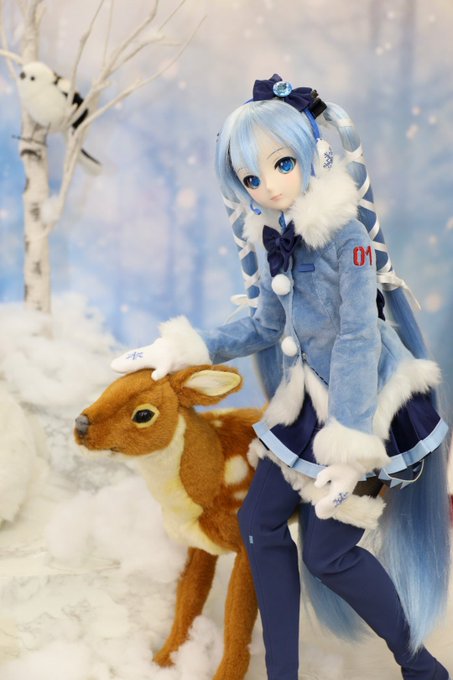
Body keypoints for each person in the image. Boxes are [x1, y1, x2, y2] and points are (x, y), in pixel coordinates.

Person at [112, 74, 451, 680]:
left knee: (327, 554)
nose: (268, 186)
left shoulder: (346, 237)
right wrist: (185, 347)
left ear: (309, 155)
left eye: (282, 164)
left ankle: (420, 665)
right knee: (257, 523)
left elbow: (358, 338)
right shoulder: (276, 237)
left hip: (364, 407)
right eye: (251, 178)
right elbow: (265, 323)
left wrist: (348, 446)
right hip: (306, 403)